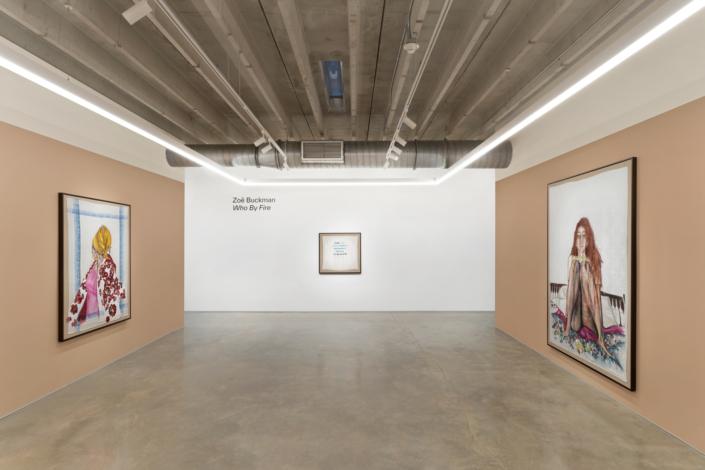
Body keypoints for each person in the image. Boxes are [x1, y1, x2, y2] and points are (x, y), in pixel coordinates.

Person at [563, 218, 611, 356]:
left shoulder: (593, 260)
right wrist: (577, 263)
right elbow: (570, 292)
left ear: (588, 240)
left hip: (589, 318)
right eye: (578, 236)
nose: (581, 240)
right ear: (575, 240)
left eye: (584, 236)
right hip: (576, 319)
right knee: (576, 265)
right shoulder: (571, 260)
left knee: (585, 266)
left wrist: (600, 334)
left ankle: (600, 338)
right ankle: (568, 327)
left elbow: (596, 300)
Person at [67, 225, 125, 331]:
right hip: (87, 317)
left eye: (93, 246)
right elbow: (82, 290)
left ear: (97, 248)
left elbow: (111, 297)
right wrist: (72, 315)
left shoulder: (108, 267)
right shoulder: (92, 266)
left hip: (99, 319)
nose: (92, 249)